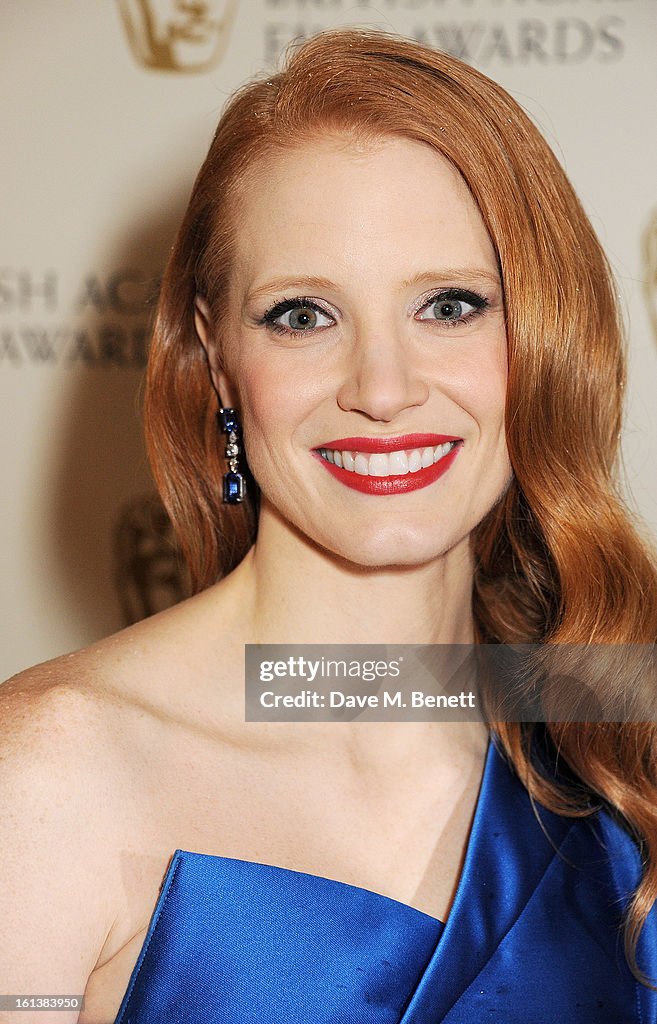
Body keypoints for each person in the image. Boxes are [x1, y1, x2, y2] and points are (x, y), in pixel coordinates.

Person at [2, 25, 657, 1024]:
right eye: (303, 315)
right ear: (217, 359)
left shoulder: (619, 744)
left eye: (450, 304)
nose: (383, 389)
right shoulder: (47, 777)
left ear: (546, 339)